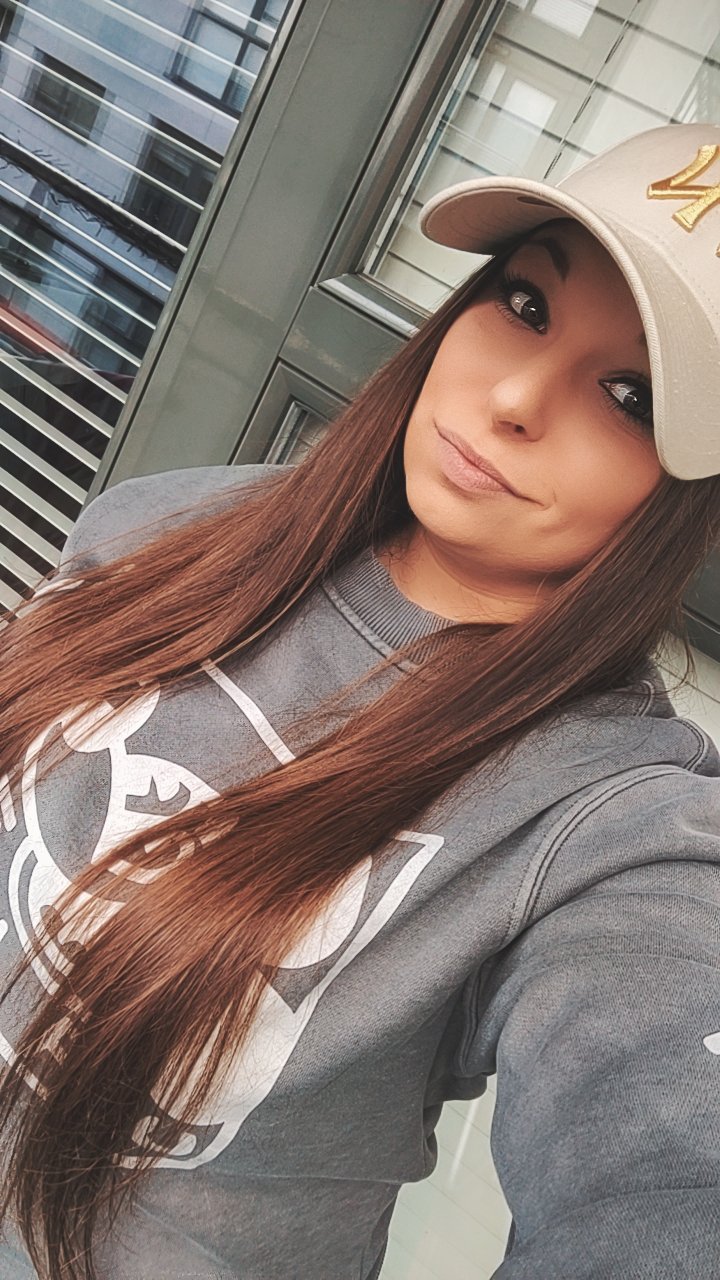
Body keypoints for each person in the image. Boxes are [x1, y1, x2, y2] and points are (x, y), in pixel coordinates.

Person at [0, 121, 719, 1280]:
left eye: (630, 394)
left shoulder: (604, 822)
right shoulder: (171, 525)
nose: (515, 395)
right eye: (526, 303)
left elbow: (668, 1176)